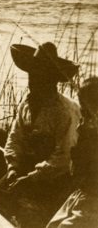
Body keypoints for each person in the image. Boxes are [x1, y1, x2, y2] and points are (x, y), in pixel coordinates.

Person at [0, 42, 81, 227]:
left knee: (30, 215)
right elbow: (14, 139)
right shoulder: (27, 104)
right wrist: (13, 169)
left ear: (51, 80)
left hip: (53, 180)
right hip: (23, 171)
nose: (32, 81)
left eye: (39, 77)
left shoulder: (64, 111)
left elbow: (64, 159)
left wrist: (31, 178)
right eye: (31, 75)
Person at [48, 76, 98, 227]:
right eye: (83, 116)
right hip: (81, 195)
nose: (79, 126)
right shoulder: (88, 131)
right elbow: (76, 171)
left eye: (88, 116)